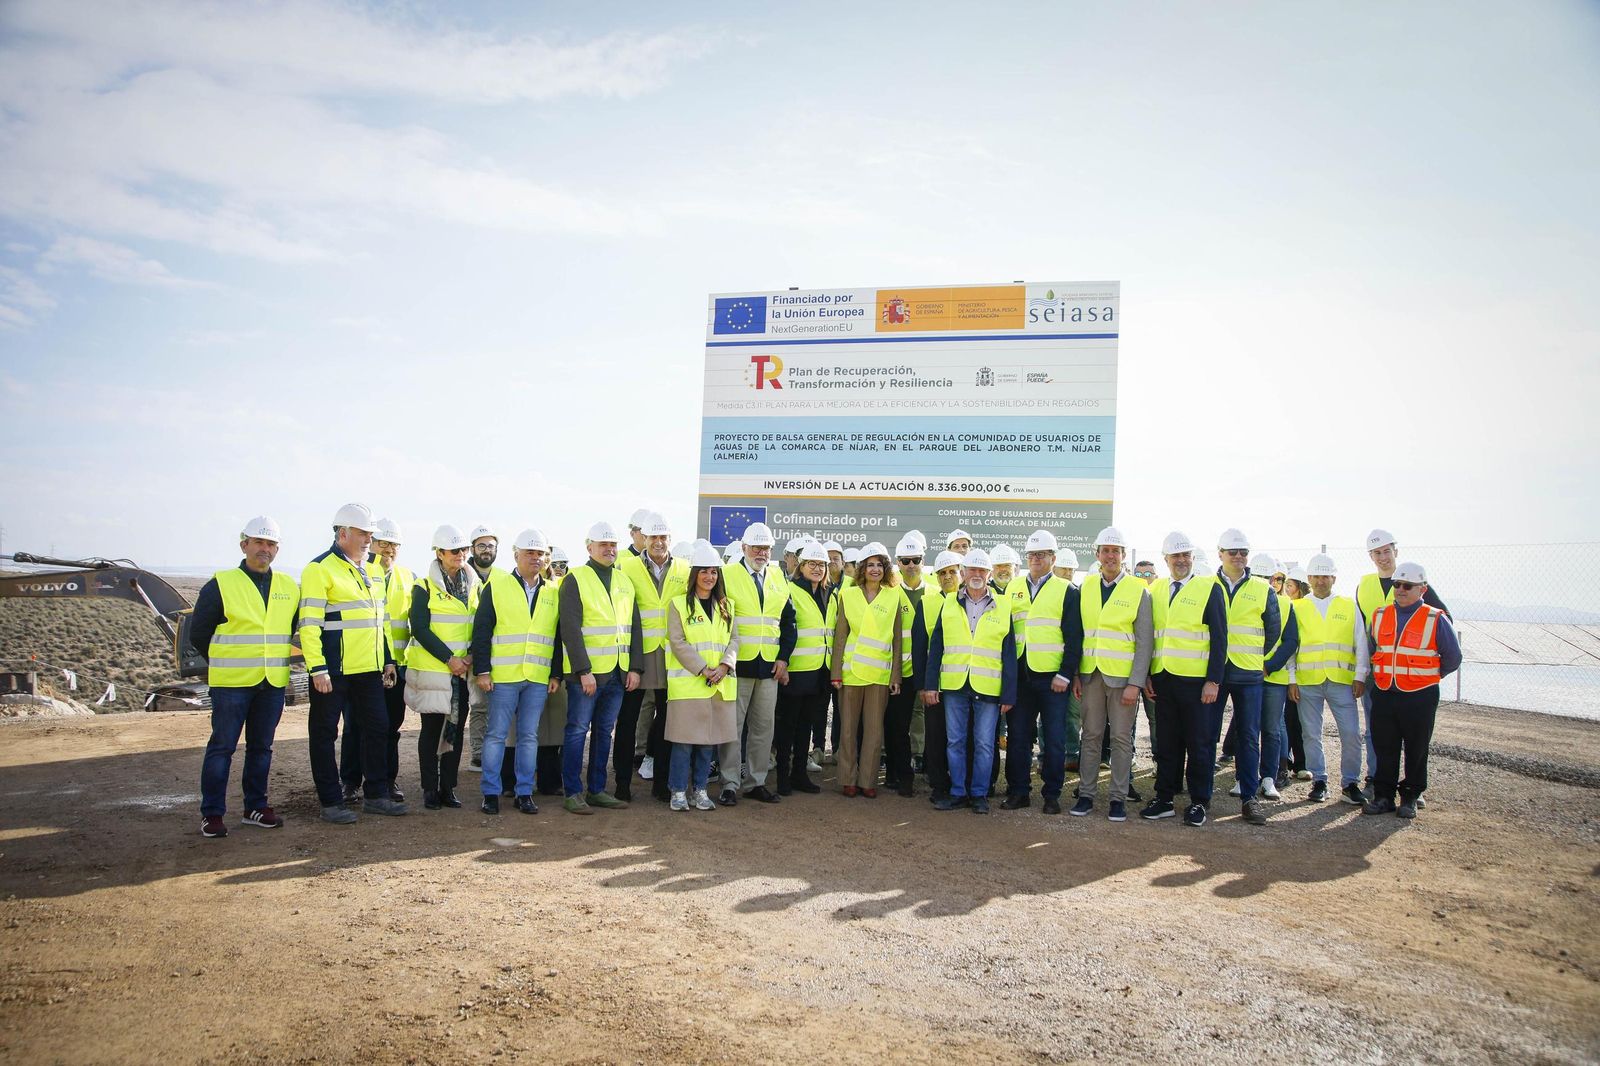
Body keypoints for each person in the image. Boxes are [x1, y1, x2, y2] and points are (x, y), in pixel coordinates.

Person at [193, 515, 298, 837]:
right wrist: (227, 661)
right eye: (258, 543)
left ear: (277, 549)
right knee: (222, 747)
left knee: (261, 748)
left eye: (270, 544)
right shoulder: (221, 584)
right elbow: (199, 633)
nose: (264, 549)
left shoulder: (287, 587)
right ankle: (212, 813)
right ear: (244, 545)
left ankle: (256, 806)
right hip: (231, 685)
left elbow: (290, 628)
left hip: (271, 683)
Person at [300, 503, 402, 824]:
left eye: (371, 534)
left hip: (368, 670)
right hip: (332, 671)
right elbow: (309, 623)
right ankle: (331, 802)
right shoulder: (319, 569)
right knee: (325, 732)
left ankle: (375, 796)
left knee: (378, 728)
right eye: (362, 534)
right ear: (342, 533)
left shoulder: (373, 570)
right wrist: (317, 668)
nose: (369, 540)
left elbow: (380, 621)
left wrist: (387, 660)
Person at [1140, 531, 1229, 825]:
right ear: (1165, 559)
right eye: (1175, 556)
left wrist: (1213, 680)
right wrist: (1151, 674)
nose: (1181, 560)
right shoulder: (1158, 591)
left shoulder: (1208, 588)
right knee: (1167, 742)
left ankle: (1199, 802)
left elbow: (1219, 638)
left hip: (1197, 682)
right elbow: (1154, 637)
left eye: (1185, 555)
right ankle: (1164, 797)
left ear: (1191, 557)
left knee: (1199, 743)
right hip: (1164, 679)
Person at [471, 528, 561, 815]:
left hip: (537, 677)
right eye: (530, 553)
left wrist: (555, 674)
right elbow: (482, 631)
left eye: (541, 554)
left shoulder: (552, 591)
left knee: (529, 736)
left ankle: (524, 793)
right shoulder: (497, 586)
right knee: (497, 735)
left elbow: (557, 637)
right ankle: (491, 793)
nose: (536, 558)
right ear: (516, 555)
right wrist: (482, 671)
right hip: (504, 677)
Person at [1357, 528, 1451, 801]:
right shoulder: (1363, 585)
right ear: (1371, 556)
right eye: (1377, 553)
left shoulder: (1416, 581)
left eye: (1387, 551)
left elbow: (1442, 624)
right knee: (1378, 733)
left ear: (1395, 552)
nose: (1383, 557)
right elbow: (1364, 634)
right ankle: (1377, 781)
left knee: (1414, 736)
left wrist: (1431, 671)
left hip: (1414, 682)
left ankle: (1412, 789)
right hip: (1381, 675)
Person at [557, 521, 642, 814]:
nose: (609, 549)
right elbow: (570, 628)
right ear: (589, 547)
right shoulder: (575, 579)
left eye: (613, 544)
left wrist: (635, 668)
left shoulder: (623, 581)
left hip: (618, 673)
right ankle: (572, 792)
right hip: (588, 675)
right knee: (577, 730)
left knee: (605, 732)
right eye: (603, 544)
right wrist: (583, 670)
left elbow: (635, 628)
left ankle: (596, 790)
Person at [1070, 526, 1153, 822]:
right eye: (1105, 551)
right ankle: (1087, 794)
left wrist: (1136, 682)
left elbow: (1145, 642)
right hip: (1091, 675)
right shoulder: (1087, 587)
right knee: (1090, 736)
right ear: (1097, 555)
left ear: (1122, 556)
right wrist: (1078, 673)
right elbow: (1081, 634)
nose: (1110, 556)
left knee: (1120, 738)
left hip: (1122, 680)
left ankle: (1118, 797)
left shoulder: (1138, 590)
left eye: (1115, 551)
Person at [925, 549, 1017, 813]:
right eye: (972, 570)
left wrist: (1008, 694)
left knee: (985, 744)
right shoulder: (949, 603)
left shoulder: (1003, 605)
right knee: (954, 741)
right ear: (963, 574)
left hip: (988, 686)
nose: (976, 575)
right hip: (954, 685)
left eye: (981, 570)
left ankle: (979, 794)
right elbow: (937, 647)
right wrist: (932, 684)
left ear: (988, 575)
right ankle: (957, 792)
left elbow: (1008, 653)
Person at [999, 529, 1082, 815]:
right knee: (1018, 737)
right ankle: (1018, 791)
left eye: (1042, 554)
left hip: (1052, 679)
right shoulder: (1013, 588)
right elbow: (1006, 633)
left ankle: (1052, 794)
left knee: (1054, 738)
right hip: (1021, 676)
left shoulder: (1067, 590)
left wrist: (1065, 674)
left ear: (1053, 558)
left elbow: (1074, 638)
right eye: (1032, 555)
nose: (1036, 559)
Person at [719, 521, 794, 805]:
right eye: (756, 547)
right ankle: (729, 783)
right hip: (737, 666)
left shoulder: (778, 577)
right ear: (744, 548)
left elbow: (789, 622)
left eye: (766, 548)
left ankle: (756, 782)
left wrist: (784, 658)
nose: (761, 552)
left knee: (764, 729)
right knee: (733, 727)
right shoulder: (727, 575)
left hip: (769, 668)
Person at [407, 525, 480, 811]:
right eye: (454, 550)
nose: (460, 555)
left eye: (463, 550)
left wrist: (471, 657)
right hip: (434, 672)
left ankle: (448, 788)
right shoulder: (423, 587)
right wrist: (449, 659)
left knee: (456, 730)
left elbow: (480, 625)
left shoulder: (475, 586)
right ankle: (429, 788)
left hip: (461, 673)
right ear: (439, 553)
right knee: (431, 731)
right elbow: (421, 629)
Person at [664, 543, 742, 811]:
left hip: (718, 685)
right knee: (684, 743)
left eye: (714, 572)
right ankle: (677, 791)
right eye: (704, 572)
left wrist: (724, 666)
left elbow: (734, 640)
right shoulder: (678, 605)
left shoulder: (727, 606)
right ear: (694, 574)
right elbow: (677, 641)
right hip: (689, 685)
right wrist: (703, 669)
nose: (710, 577)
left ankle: (699, 790)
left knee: (707, 744)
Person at [616, 512, 687, 802]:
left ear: (671, 539)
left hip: (671, 656)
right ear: (643, 539)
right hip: (637, 656)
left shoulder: (684, 567)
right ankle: (622, 783)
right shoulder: (626, 566)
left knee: (667, 720)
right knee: (627, 720)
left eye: (663, 537)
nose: (658, 543)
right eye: (653, 537)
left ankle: (661, 784)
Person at [340, 517, 411, 804]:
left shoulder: (408, 577)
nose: (388, 549)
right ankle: (350, 782)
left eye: (394, 544)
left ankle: (386, 780)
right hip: (362, 664)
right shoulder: (360, 573)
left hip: (397, 666)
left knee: (390, 727)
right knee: (355, 726)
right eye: (383, 543)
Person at [1212, 528, 1280, 826]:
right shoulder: (1206, 585)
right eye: (1232, 552)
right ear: (1221, 554)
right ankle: (1201, 794)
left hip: (1248, 673)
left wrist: (1256, 658)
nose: (1238, 557)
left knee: (1249, 736)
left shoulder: (1263, 589)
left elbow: (1273, 631)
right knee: (1208, 733)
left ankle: (1249, 797)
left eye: (1243, 553)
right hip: (1214, 671)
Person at [1290, 554, 1366, 805]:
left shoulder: (1348, 605)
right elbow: (1291, 646)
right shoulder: (1297, 607)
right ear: (1309, 579)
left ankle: (1350, 783)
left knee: (1351, 733)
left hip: (1341, 680)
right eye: (1316, 576)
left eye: (1326, 576)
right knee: (1311, 733)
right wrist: (1291, 679)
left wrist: (1360, 675)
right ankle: (1319, 781)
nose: (1321, 581)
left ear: (1334, 578)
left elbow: (1361, 641)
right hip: (1307, 680)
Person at [829, 541, 903, 797]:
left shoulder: (894, 595)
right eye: (870, 565)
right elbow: (840, 636)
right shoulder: (847, 594)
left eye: (879, 565)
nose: (874, 569)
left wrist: (896, 675)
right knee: (848, 729)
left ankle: (868, 781)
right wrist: (835, 672)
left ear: (886, 569)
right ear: (862, 568)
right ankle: (848, 778)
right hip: (850, 673)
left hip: (880, 674)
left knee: (874, 731)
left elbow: (897, 638)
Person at [775, 541, 833, 795]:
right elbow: (782, 631)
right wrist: (783, 663)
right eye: (812, 564)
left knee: (806, 726)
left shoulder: (828, 593)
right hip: (795, 672)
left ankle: (799, 773)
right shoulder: (788, 590)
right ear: (801, 566)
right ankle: (782, 777)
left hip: (819, 672)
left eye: (821, 565)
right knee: (788, 727)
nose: (817, 569)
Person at [913, 550, 962, 803]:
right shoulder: (928, 603)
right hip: (937, 684)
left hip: (965, 683)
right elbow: (919, 648)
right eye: (942, 573)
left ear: (961, 573)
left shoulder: (976, 600)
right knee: (936, 736)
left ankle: (965, 784)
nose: (947, 577)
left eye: (952, 571)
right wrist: (923, 685)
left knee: (964, 737)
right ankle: (939, 784)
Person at [884, 533, 924, 795]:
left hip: (928, 673)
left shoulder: (935, 592)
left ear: (923, 560)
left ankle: (932, 773)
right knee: (897, 726)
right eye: (905, 560)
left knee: (931, 726)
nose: (910, 565)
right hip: (900, 672)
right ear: (897, 563)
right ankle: (900, 774)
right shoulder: (889, 594)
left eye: (916, 560)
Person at [464, 524, 500, 774]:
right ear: (472, 548)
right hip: (466, 652)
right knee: (477, 705)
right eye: (481, 546)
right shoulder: (462, 574)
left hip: (496, 651)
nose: (486, 551)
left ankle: (494, 752)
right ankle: (477, 754)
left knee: (495, 704)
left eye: (490, 546)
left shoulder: (503, 578)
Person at [1279, 566, 1312, 783]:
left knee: (1298, 721)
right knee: (1288, 720)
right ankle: (1289, 760)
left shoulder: (1304, 607)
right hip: (1289, 672)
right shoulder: (1289, 606)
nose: (1287, 588)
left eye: (1290, 584)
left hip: (1305, 674)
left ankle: (1301, 763)